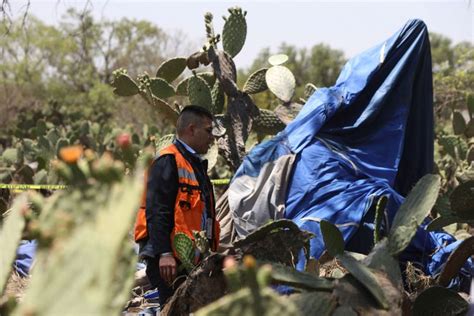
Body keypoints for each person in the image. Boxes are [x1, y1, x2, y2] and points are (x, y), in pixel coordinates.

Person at [134, 105, 220, 308]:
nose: (212, 138)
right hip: (170, 260)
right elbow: (157, 211)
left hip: (190, 258)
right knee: (173, 309)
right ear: (192, 129)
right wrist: (164, 253)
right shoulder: (168, 160)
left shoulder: (194, 164)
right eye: (208, 131)